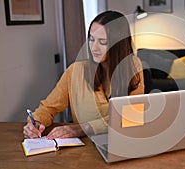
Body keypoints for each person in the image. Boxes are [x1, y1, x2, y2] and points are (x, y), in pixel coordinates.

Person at [23, 11, 144, 139]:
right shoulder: (74, 71)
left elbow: (131, 115)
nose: (94, 48)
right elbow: (48, 107)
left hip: (122, 142)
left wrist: (82, 128)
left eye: (102, 42)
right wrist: (36, 122)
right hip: (84, 148)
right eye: (91, 39)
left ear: (119, 44)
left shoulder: (133, 66)